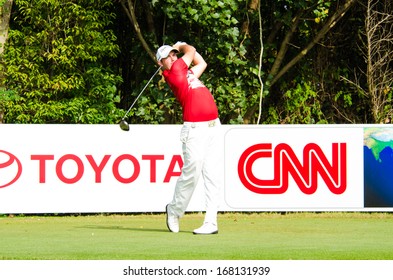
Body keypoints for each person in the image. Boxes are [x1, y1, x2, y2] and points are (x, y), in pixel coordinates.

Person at [156, 42, 222, 234]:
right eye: (169, 56)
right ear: (161, 62)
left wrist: (181, 49)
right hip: (195, 129)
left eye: (175, 54)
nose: (174, 57)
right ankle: (174, 210)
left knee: (212, 176)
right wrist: (182, 45)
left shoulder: (186, 74)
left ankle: (211, 222)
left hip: (213, 126)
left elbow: (202, 63)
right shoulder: (174, 73)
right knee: (192, 172)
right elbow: (192, 51)